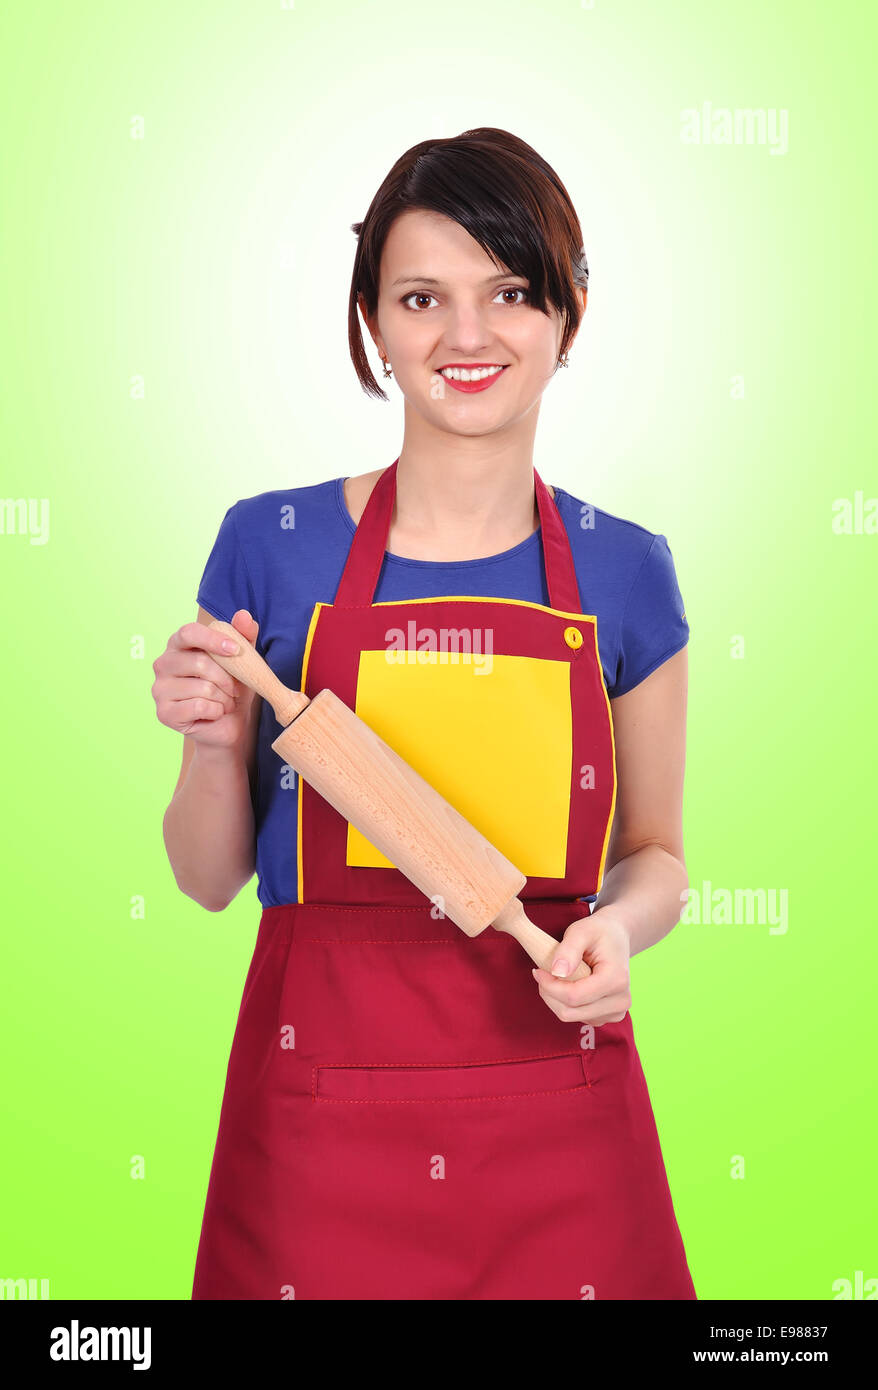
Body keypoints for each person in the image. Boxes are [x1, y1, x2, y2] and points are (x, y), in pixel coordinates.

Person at [153, 127, 697, 1300]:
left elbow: (654, 855)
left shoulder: (625, 570)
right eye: (419, 297)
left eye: (509, 291)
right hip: (317, 1118)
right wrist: (210, 742)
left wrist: (622, 933)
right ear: (372, 324)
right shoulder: (270, 546)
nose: (465, 336)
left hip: (557, 1091)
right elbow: (207, 880)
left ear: (570, 312)